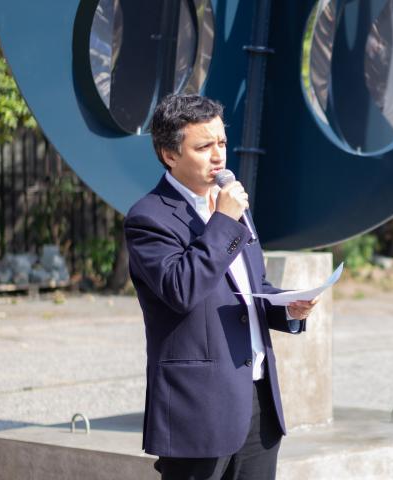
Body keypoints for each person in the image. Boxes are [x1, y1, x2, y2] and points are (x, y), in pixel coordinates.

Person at [124, 93, 317, 479]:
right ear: (170, 155)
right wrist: (224, 222)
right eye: (204, 146)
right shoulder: (149, 218)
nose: (219, 156)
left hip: (257, 398)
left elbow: (250, 285)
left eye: (222, 143)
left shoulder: (232, 205)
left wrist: (287, 307)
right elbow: (182, 290)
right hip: (197, 405)